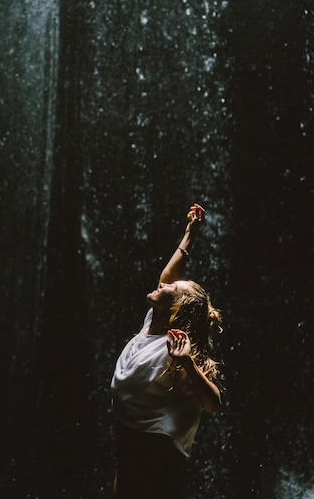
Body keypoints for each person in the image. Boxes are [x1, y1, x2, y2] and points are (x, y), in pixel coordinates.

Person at [111, 203, 222, 498]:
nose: (162, 284)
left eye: (171, 287)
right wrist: (190, 233)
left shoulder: (175, 343)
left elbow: (214, 403)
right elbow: (168, 275)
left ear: (177, 308)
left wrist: (187, 364)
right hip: (128, 434)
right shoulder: (154, 320)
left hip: (155, 446)